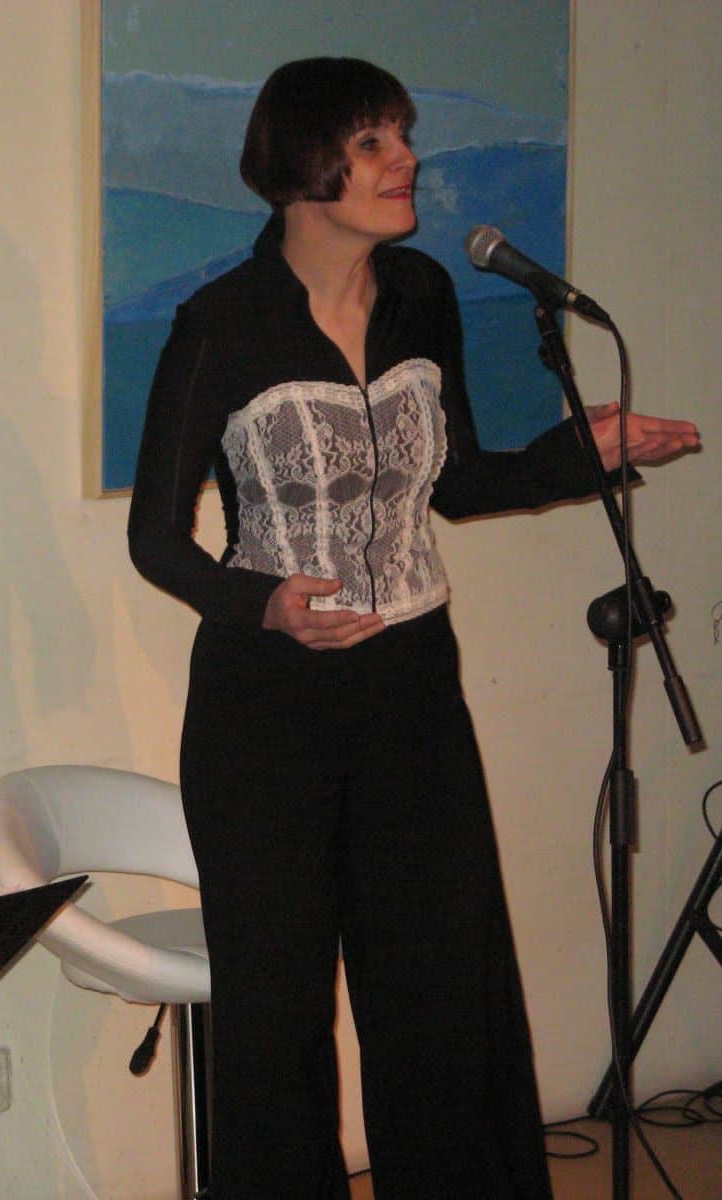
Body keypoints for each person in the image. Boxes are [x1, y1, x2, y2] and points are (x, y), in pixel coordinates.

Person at [127, 57, 700, 1199]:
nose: (407, 160)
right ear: (306, 165)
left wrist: (580, 455)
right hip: (265, 712)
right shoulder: (221, 324)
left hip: (413, 698)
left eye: (402, 134)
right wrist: (263, 603)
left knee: (439, 1001)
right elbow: (155, 538)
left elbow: (460, 483)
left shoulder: (423, 296)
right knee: (279, 1019)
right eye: (375, 142)